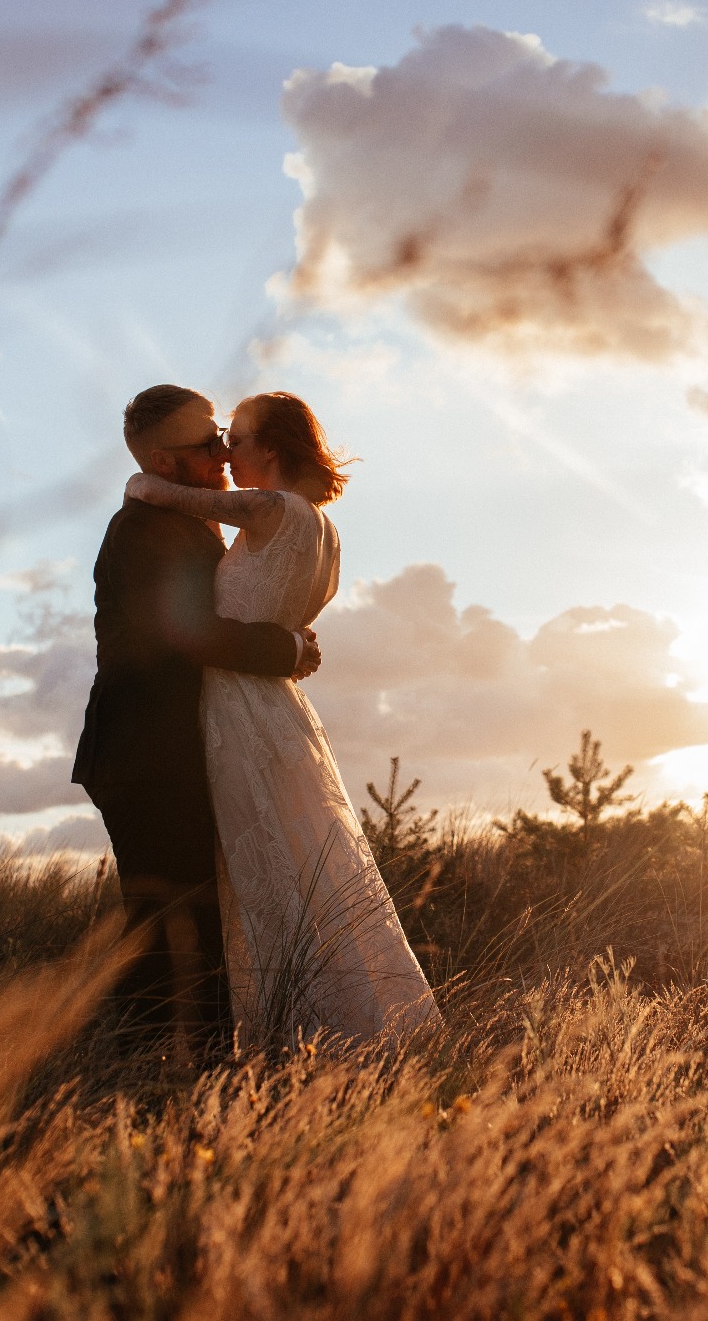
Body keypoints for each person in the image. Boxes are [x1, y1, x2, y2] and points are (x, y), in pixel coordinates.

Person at [123, 390, 440, 1041]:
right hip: (279, 706)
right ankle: (333, 1016)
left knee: (256, 872)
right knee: (296, 862)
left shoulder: (266, 509)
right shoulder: (326, 532)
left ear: (270, 447)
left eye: (233, 439)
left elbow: (168, 495)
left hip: (237, 705)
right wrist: (290, 647)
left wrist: (140, 473)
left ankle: (287, 1026)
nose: (225, 451)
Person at [71, 384, 321, 1054]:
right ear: (159, 459)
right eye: (204, 444)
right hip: (145, 755)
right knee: (172, 927)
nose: (220, 452)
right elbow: (190, 633)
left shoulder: (183, 514)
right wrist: (286, 649)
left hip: (172, 749)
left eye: (220, 437)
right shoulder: (144, 529)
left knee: (188, 921)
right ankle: (156, 1077)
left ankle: (189, 1065)